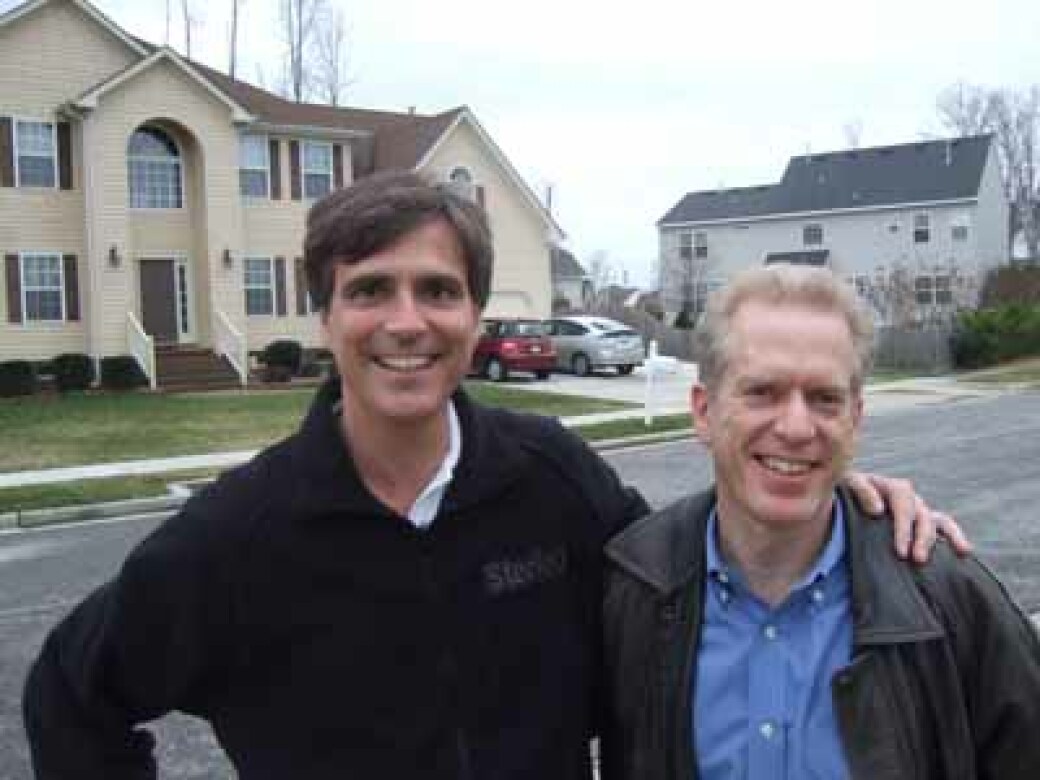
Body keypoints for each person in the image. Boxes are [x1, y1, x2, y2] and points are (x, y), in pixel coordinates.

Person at [24, 173, 961, 780]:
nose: (407, 320)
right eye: (369, 290)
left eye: (438, 290)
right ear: (326, 318)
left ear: (474, 316)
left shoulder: (550, 479)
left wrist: (844, 510)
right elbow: (69, 694)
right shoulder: (240, 536)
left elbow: (686, 584)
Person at [601, 264, 1040, 780]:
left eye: (824, 399)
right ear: (703, 411)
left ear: (855, 419)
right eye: (762, 391)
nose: (795, 426)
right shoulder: (635, 592)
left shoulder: (951, 604)